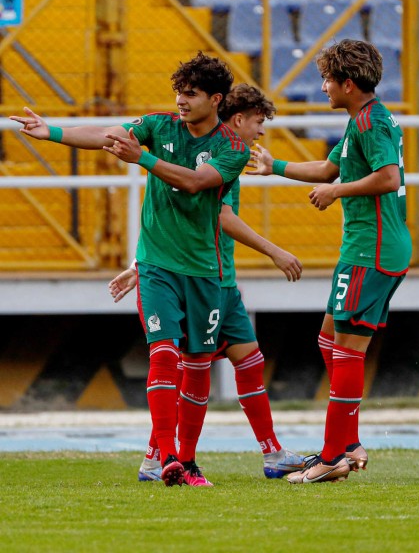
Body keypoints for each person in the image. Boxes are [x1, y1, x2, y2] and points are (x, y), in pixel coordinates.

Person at [11, 52, 250, 487]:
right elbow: (108, 135)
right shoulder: (160, 125)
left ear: (216, 99)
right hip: (156, 263)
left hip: (204, 270)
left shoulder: (232, 147)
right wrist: (53, 132)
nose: (180, 100)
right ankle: (169, 458)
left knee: (198, 365)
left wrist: (142, 159)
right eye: (178, 91)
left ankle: (189, 461)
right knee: (163, 353)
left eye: (190, 93)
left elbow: (195, 182)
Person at [107, 84, 305, 482]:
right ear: (236, 118)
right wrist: (274, 250)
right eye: (258, 121)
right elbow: (218, 218)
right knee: (190, 367)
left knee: (247, 362)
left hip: (221, 281)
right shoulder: (219, 155)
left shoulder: (226, 156)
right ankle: (168, 457)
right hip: (209, 280)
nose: (261, 131)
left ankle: (270, 453)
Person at [248, 39, 411, 484]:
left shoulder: (372, 122)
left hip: (371, 249)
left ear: (349, 83)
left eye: (328, 79)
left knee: (347, 351)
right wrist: (274, 165)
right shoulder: (362, 119)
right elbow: (327, 169)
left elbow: (387, 177)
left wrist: (338, 192)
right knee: (329, 340)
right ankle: (349, 443)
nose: (322, 87)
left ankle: (331, 456)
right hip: (367, 247)